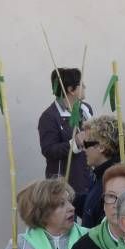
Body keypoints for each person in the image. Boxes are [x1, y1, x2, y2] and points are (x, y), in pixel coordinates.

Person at [38, 67, 92, 209]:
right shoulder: (49, 117)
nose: (85, 87)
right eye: (81, 84)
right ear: (71, 89)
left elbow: (92, 142)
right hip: (65, 184)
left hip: (88, 178)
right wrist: (74, 143)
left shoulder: (86, 109)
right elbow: (48, 150)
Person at [81, 115, 125, 228]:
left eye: (86, 144)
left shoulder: (116, 180)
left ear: (101, 147)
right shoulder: (101, 174)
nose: (83, 148)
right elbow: (92, 208)